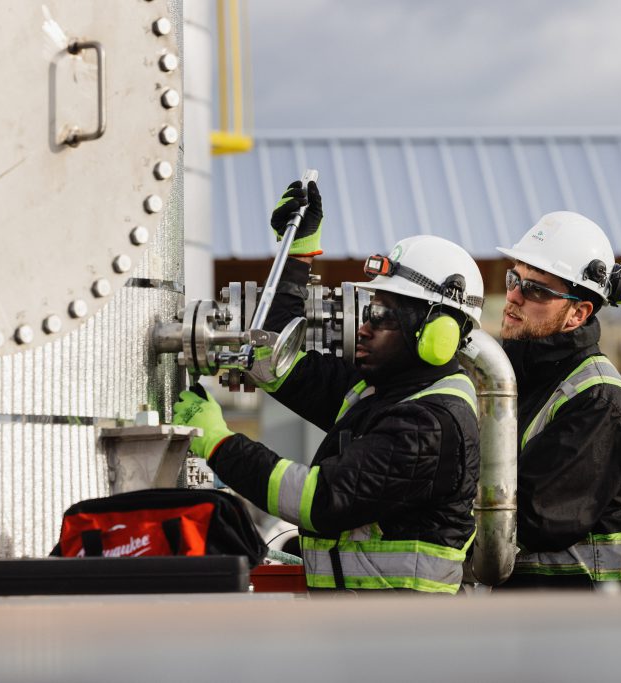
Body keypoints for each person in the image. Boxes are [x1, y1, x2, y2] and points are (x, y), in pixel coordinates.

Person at [174, 179, 484, 595]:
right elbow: (272, 360)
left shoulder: (429, 422)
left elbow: (319, 500)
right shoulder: (381, 390)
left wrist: (219, 444)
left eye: (382, 315)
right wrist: (297, 255)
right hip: (361, 625)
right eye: (370, 310)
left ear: (436, 334)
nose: (365, 326)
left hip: (406, 636)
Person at [494, 210, 621, 590]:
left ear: (578, 313)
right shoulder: (512, 378)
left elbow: (527, 519)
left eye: (536, 289)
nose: (513, 296)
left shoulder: (599, 404)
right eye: (514, 278)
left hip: (600, 630)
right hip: (551, 628)